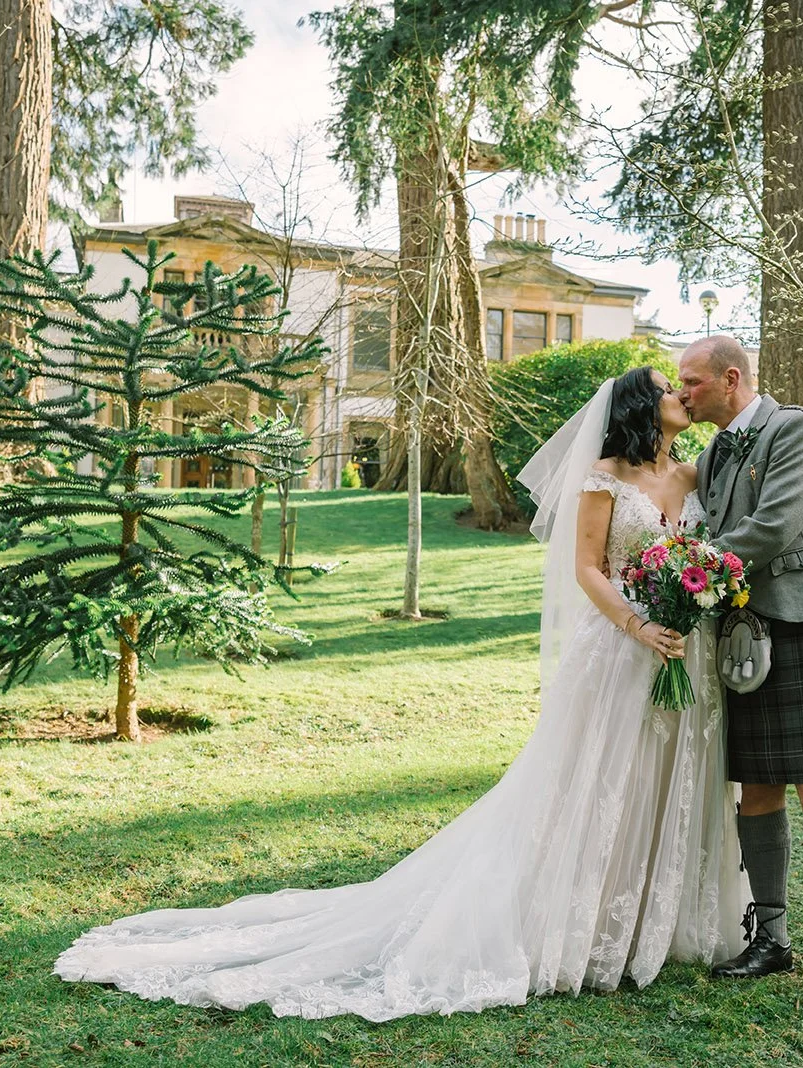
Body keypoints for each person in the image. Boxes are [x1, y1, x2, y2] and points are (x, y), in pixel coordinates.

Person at [52, 367, 747, 1021]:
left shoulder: (690, 474)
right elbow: (588, 570)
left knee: (661, 780)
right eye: (666, 388)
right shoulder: (603, 478)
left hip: (683, 648)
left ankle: (647, 921)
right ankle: (578, 923)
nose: (680, 393)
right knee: (595, 781)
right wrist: (635, 623)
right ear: (636, 406)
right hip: (620, 648)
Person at [677, 335, 803, 1015]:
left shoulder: (794, 427)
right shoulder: (710, 454)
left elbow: (773, 527)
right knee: (756, 788)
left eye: (692, 383)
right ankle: (771, 938)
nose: (683, 394)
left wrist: (684, 573)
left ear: (730, 379)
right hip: (743, 631)